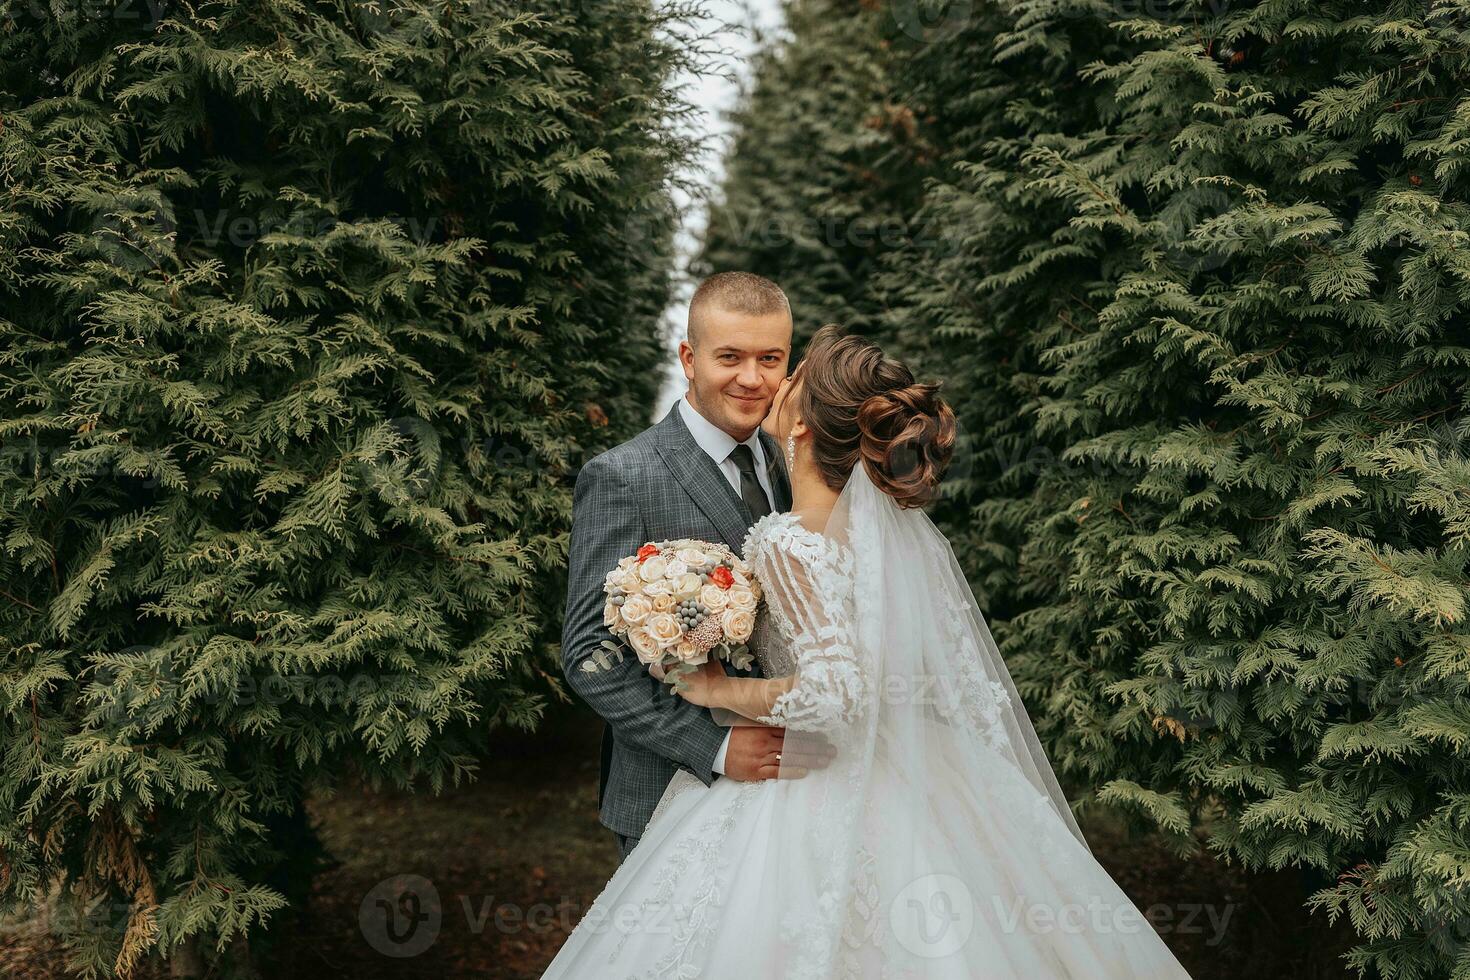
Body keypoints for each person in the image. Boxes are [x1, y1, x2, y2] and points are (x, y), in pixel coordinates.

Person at [544, 323, 1194, 978]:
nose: (774, 381)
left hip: (812, 778)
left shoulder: (789, 538)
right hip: (914, 771)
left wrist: (714, 690)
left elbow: (832, 691)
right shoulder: (877, 530)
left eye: (787, 372)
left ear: (803, 428)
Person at [562, 271, 829, 864]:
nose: (752, 379)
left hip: (800, 788)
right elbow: (589, 656)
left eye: (771, 358)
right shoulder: (623, 477)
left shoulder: (796, 463)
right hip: (674, 791)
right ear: (689, 357)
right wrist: (713, 746)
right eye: (730, 357)